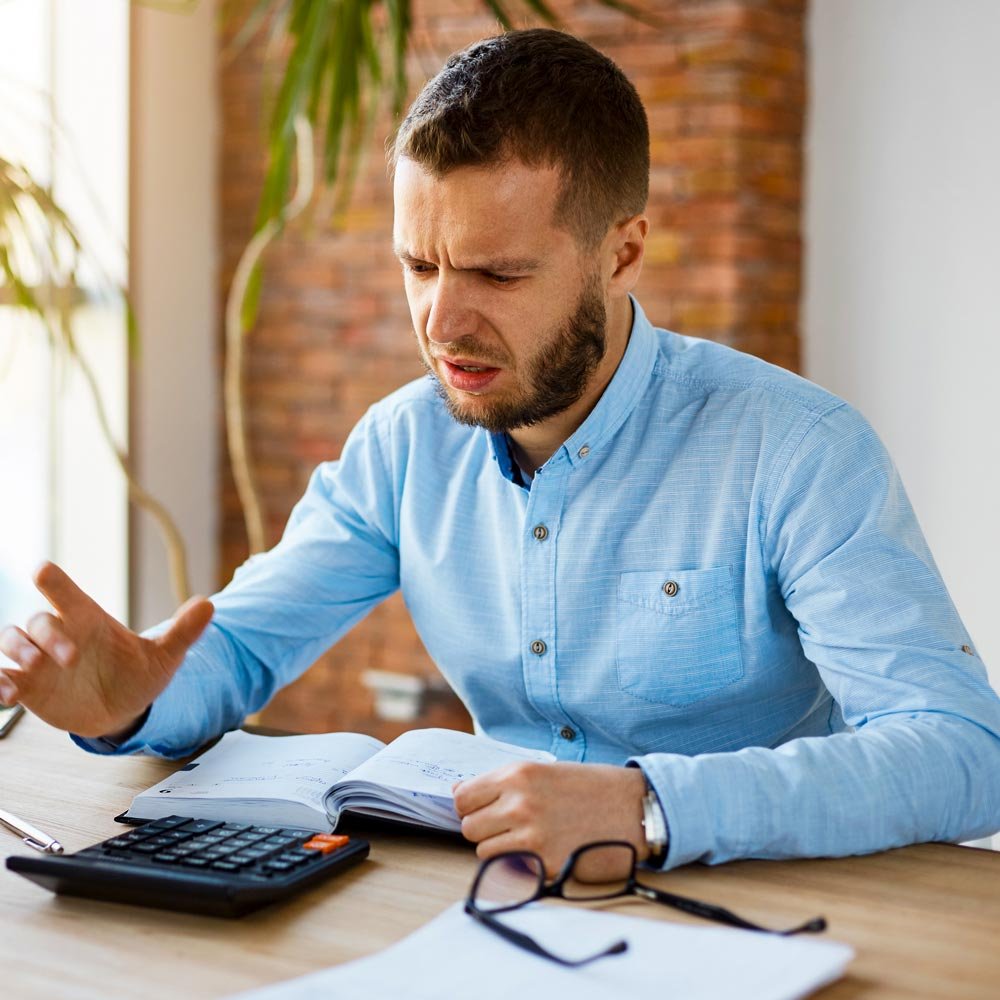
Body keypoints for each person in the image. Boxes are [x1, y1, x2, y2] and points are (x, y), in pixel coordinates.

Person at [1, 29, 999, 880]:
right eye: (418, 264)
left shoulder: (795, 450)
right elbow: (243, 644)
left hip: (765, 907)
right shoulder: (402, 446)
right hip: (497, 905)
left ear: (622, 252)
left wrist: (647, 806)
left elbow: (961, 751)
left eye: (497, 272)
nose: (442, 321)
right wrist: (134, 694)